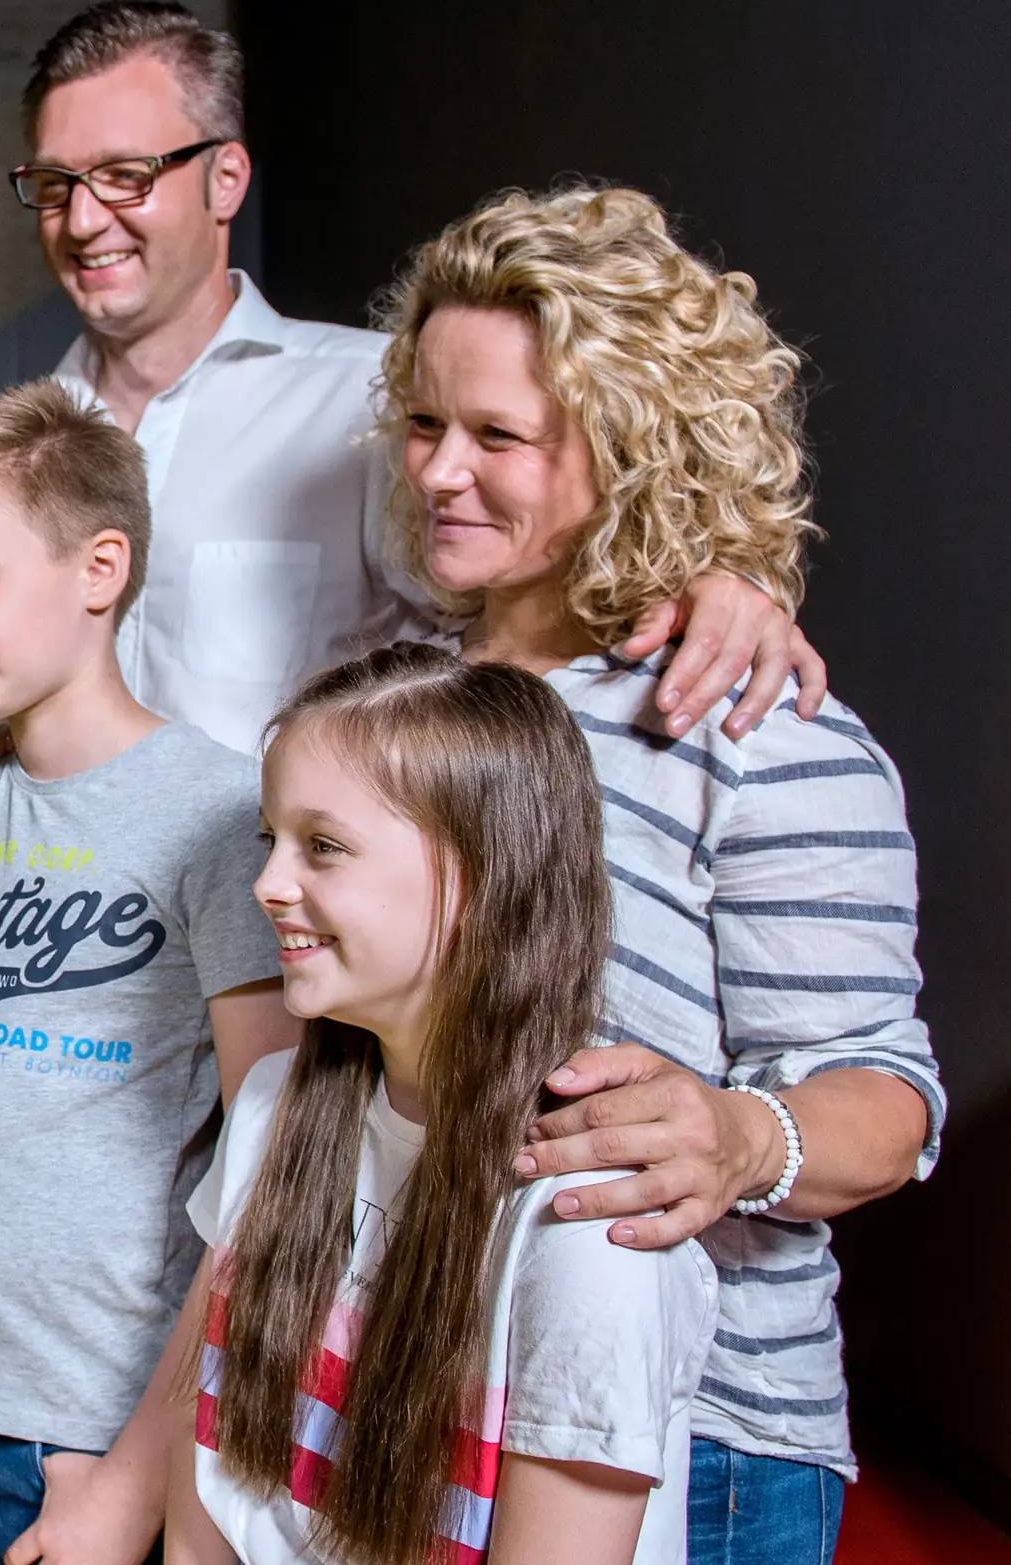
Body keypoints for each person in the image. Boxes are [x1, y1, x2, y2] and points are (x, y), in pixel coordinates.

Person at [376, 185, 943, 1564]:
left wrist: (742, 1137)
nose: (443, 472)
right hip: (419, 1392)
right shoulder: (396, 697)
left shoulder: (757, 729)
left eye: (500, 437)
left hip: (696, 1430)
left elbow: (892, 1099)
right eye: (425, 424)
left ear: (634, 454)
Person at [0, 1, 816, 768]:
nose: (83, 220)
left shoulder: (381, 405)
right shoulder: (3, 446)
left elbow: (543, 605)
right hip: (56, 943)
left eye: (125, 176)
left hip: (300, 943)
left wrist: (715, 583)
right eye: (53, 184)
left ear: (225, 179)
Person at [0, 380, 296, 1565]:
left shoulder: (220, 814)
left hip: (82, 1439)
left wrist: (128, 1473)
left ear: (99, 570)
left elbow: (275, 1174)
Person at [170, 643, 717, 1565]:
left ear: (479, 875)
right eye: (272, 840)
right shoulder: (271, 1107)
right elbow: (207, 1508)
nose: (267, 883)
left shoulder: (587, 1226)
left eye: (324, 846)